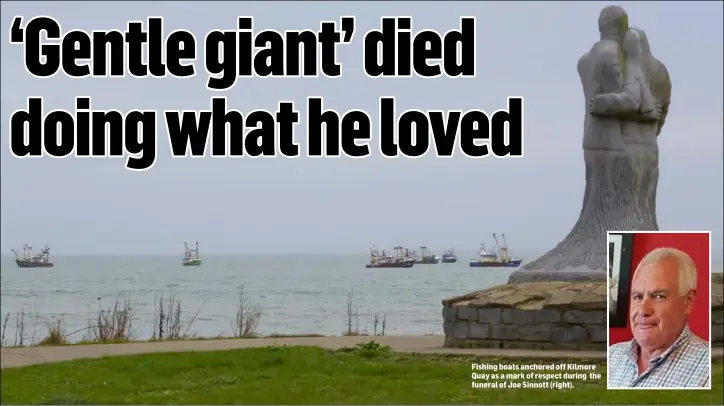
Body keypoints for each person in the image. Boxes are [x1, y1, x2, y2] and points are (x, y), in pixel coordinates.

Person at [608, 247, 710, 388]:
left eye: (658, 296)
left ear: (688, 301)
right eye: (637, 297)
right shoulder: (611, 355)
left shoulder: (709, 371)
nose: (643, 311)